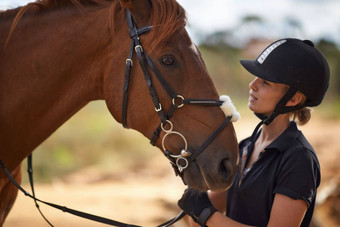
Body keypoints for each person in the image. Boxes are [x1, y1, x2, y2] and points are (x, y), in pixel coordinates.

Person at [178, 38, 330, 227]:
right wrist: (196, 174)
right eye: (256, 77)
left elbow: (207, 216)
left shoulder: (298, 158)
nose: (252, 85)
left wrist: (205, 214)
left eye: (265, 82)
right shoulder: (245, 147)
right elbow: (199, 216)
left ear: (293, 99)